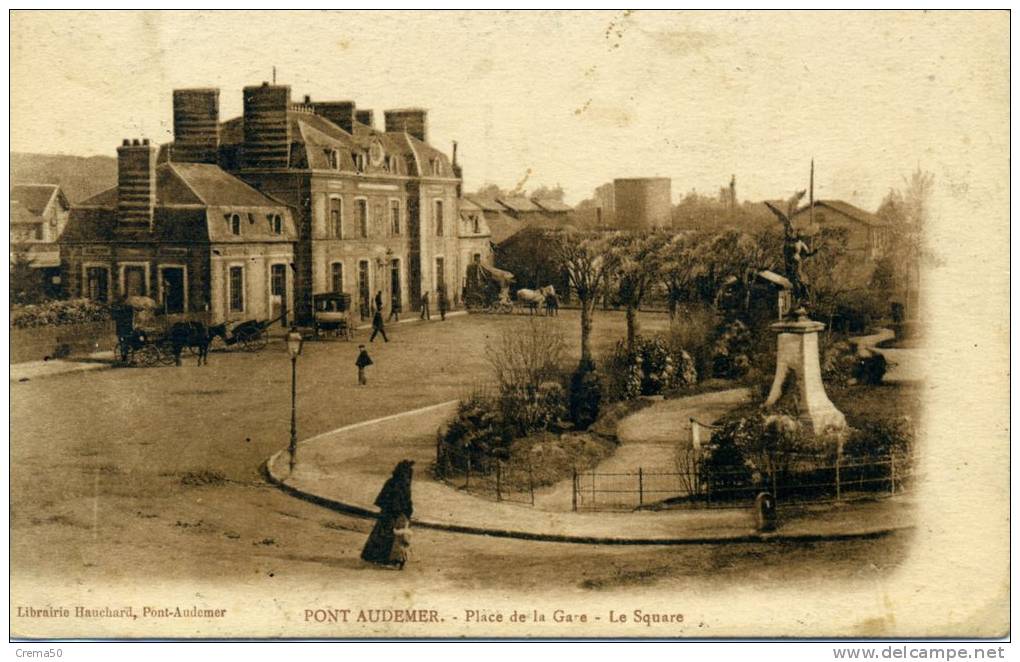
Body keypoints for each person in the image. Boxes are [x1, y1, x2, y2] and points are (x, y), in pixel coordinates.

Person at [361, 460, 414, 569]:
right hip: (396, 515)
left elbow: (383, 498)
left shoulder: (391, 481)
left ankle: (373, 556)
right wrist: (407, 513)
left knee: (380, 535)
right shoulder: (404, 484)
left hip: (386, 513)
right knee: (393, 538)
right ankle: (390, 559)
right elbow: (406, 502)